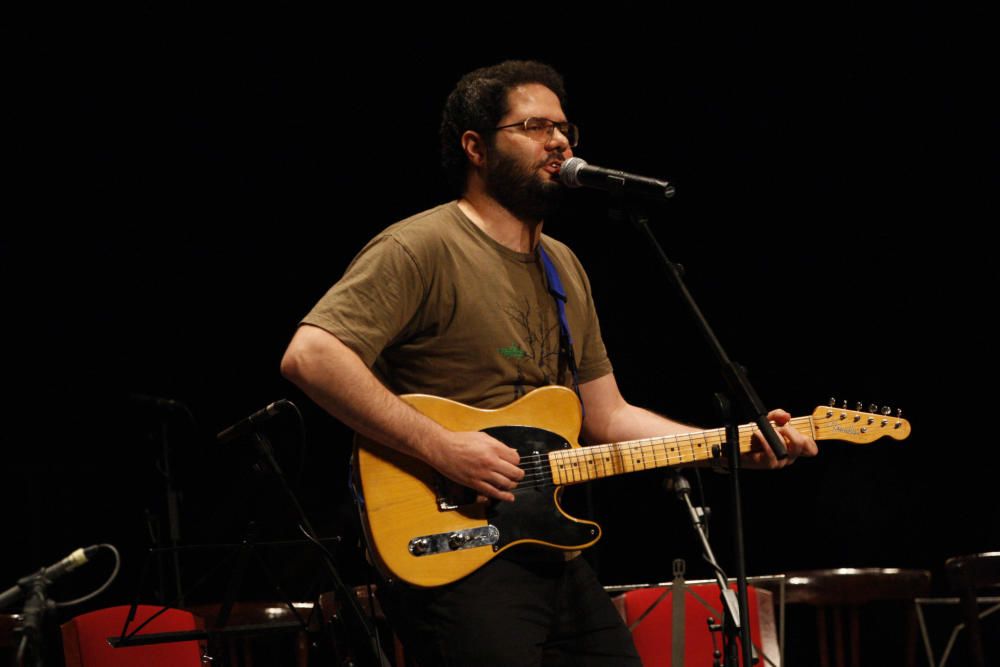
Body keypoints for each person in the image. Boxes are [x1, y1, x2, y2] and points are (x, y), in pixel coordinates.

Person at [281, 60, 818, 666]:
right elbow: (312, 355)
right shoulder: (420, 246)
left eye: (565, 129)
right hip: (457, 552)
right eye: (535, 126)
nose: (559, 142)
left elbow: (608, 417)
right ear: (475, 147)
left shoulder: (562, 265)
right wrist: (442, 447)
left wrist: (726, 444)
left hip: (551, 552)